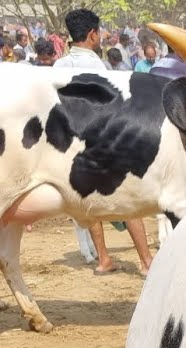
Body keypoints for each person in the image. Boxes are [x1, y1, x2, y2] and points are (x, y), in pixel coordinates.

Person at [55, 9, 154, 276]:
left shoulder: (59, 66)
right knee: (131, 200)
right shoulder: (98, 67)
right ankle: (146, 262)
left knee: (91, 203)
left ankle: (103, 259)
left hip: (72, 145)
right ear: (92, 35)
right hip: (104, 141)